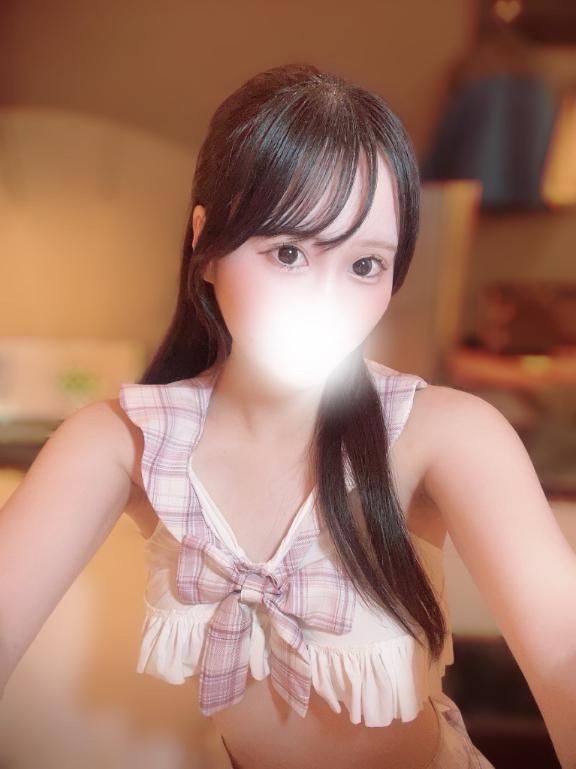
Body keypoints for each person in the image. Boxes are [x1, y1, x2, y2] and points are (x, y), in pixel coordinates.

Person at [1, 63, 575, 769]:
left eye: (364, 265)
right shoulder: (127, 441)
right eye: (289, 252)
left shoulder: (445, 434)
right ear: (206, 246)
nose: (325, 301)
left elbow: (562, 646)